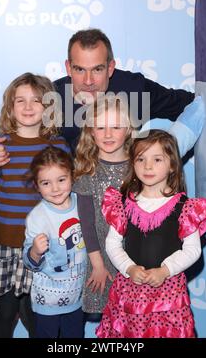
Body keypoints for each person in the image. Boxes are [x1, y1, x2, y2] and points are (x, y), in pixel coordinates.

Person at [0, 28, 194, 165]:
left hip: (127, 196)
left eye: (97, 69)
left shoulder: (134, 89)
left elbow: (193, 106)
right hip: (71, 206)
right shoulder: (51, 98)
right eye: (79, 69)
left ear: (110, 68)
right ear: (68, 68)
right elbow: (19, 142)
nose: (88, 81)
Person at [0, 72, 70, 338]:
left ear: (49, 106)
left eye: (36, 100)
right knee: (6, 312)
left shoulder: (58, 146)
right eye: (20, 101)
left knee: (35, 315)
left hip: (45, 248)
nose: (28, 107)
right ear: (10, 107)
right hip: (7, 249)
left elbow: (67, 194)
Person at [96, 130, 206, 338]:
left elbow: (192, 250)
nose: (147, 166)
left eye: (157, 159)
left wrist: (165, 271)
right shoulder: (123, 203)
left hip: (168, 293)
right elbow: (113, 244)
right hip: (130, 290)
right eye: (140, 159)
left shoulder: (186, 207)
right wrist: (129, 268)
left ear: (172, 165)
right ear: (132, 163)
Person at [72, 95, 133, 323]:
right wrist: (97, 264)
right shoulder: (88, 170)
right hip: (100, 256)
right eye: (100, 127)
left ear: (127, 129)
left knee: (132, 318)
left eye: (116, 127)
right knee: (110, 317)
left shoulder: (137, 167)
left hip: (133, 255)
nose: (108, 134)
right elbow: (86, 224)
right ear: (91, 131)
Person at [23, 146, 87, 338]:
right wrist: (35, 251)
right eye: (46, 183)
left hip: (77, 296)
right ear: (36, 185)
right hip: (47, 300)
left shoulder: (82, 203)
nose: (55, 188)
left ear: (72, 176)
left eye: (61, 180)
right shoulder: (37, 217)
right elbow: (29, 262)